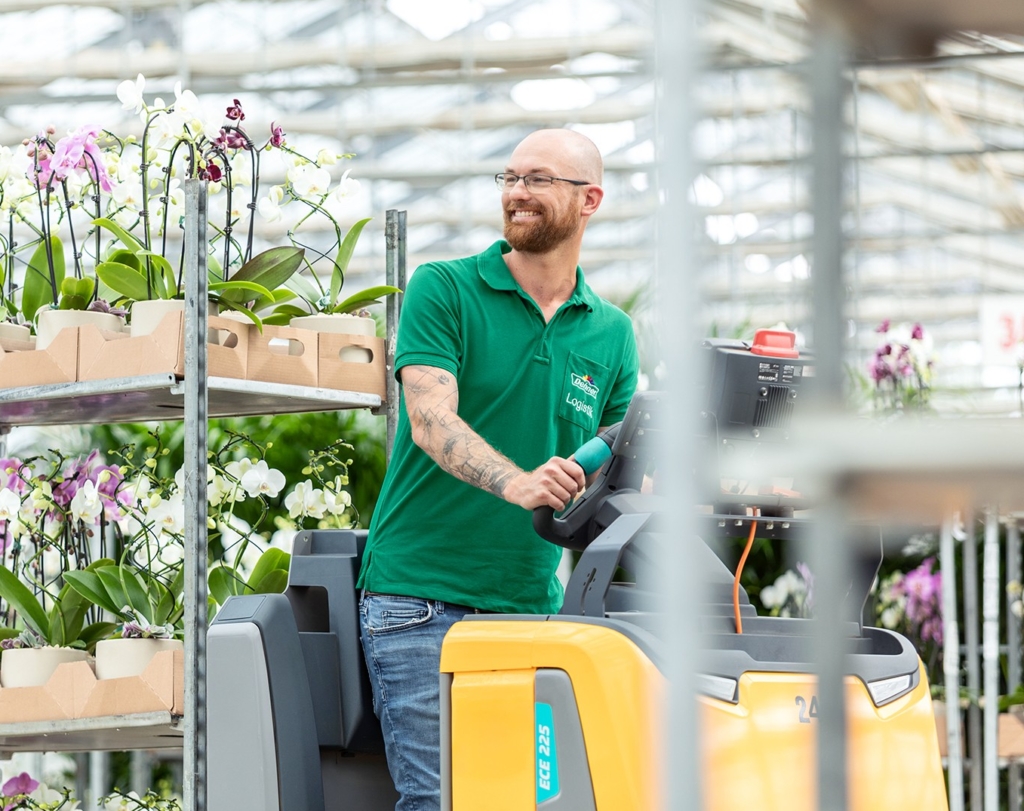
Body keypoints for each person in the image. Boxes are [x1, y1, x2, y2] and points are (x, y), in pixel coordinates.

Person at [357, 128, 639, 811]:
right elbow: (428, 418)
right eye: (509, 177)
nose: (517, 192)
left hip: (535, 613)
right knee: (443, 802)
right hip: (421, 604)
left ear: (589, 199)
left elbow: (626, 468)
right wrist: (516, 482)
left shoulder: (611, 333)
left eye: (538, 179)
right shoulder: (445, 288)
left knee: (527, 801)